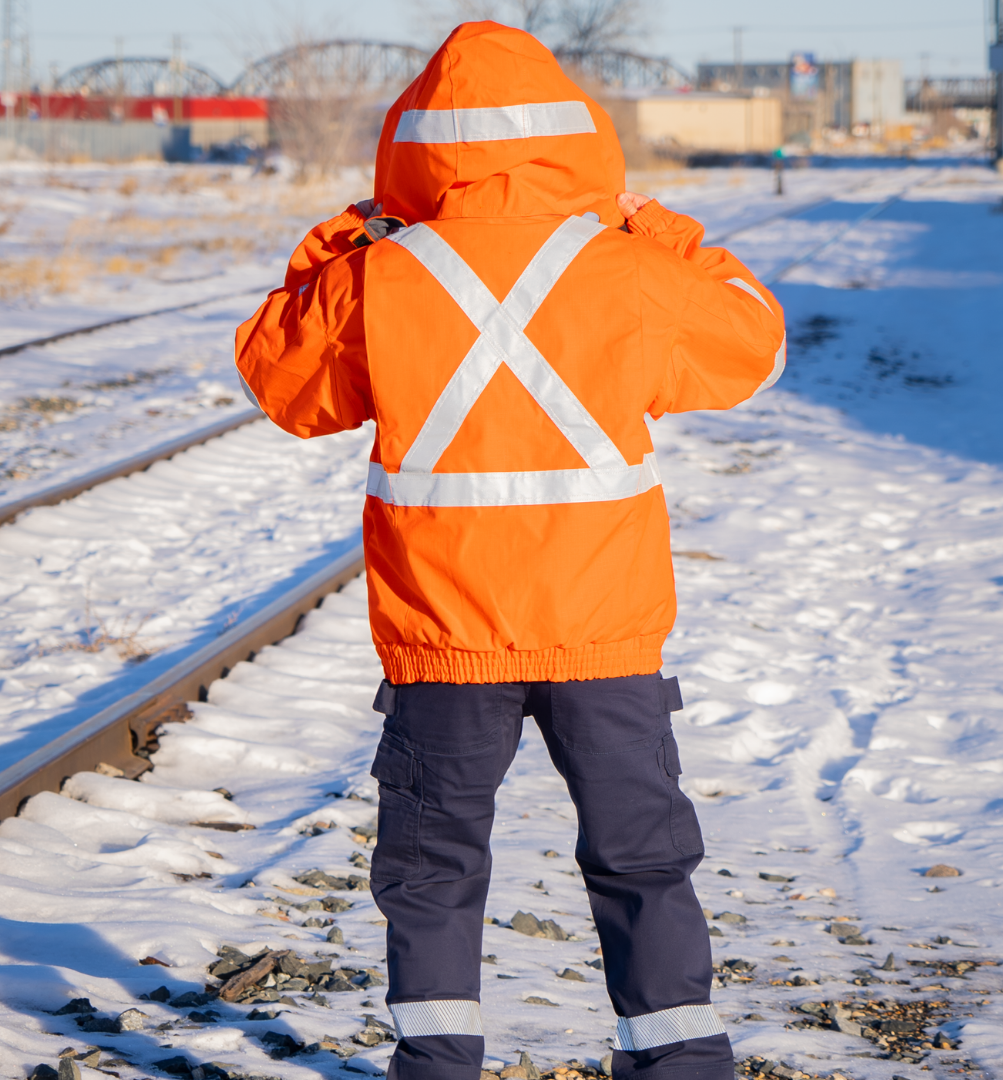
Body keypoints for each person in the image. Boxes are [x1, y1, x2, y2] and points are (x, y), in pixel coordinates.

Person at [235, 21, 785, 1080]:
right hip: (603, 633)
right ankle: (679, 1064)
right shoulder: (621, 270)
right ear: (572, 140)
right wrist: (646, 224)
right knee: (642, 861)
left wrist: (347, 239)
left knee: (433, 869)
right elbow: (750, 334)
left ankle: (436, 1067)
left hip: (446, 636)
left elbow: (281, 378)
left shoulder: (378, 277)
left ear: (419, 146)